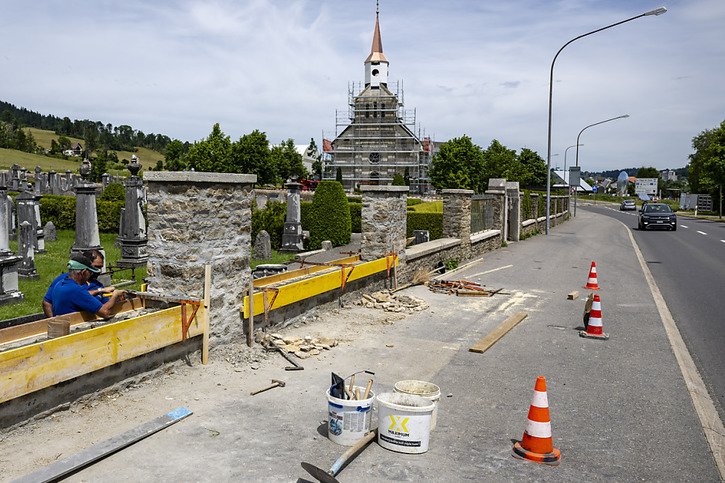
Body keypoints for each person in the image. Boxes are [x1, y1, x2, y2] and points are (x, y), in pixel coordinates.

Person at [49, 253, 126, 318]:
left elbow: (84, 295)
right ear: (83, 272)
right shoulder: (76, 290)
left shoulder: (60, 284)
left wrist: (100, 290)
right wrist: (115, 296)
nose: (90, 275)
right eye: (90, 272)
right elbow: (105, 312)